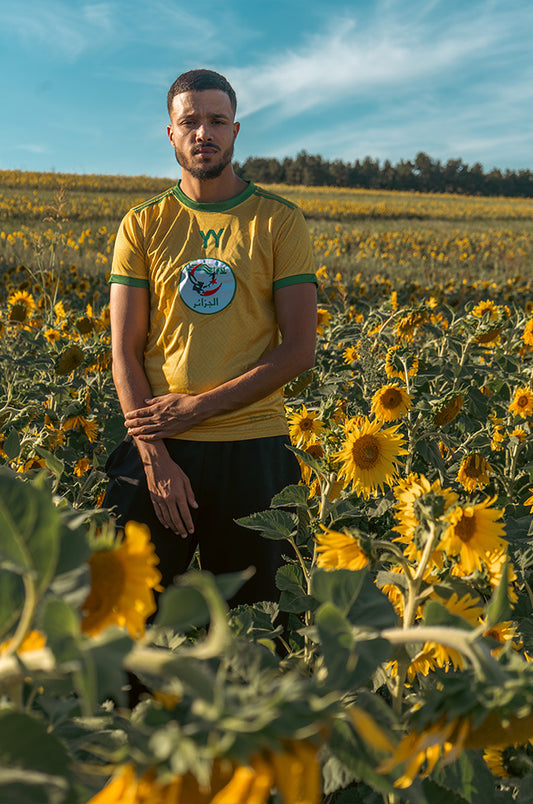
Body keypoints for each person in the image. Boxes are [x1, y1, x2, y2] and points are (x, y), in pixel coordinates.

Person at [103, 68, 317, 606]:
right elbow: (124, 350)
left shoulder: (278, 222)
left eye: (217, 120)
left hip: (254, 448)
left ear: (236, 131)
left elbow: (299, 349)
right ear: (170, 134)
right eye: (190, 121)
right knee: (125, 623)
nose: (205, 133)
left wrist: (196, 408)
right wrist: (154, 457)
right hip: (158, 445)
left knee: (260, 629)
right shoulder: (142, 224)